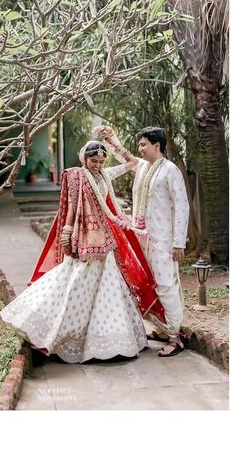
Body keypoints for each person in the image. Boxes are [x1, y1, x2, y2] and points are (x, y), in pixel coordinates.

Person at [0, 140, 166, 363]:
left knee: (107, 288)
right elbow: (71, 204)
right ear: (83, 159)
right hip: (85, 239)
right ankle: (52, 330)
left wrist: (112, 140)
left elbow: (132, 162)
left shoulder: (105, 175)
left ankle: (108, 341)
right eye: (93, 161)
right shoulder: (77, 176)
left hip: (105, 241)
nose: (97, 165)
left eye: (100, 161)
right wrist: (67, 230)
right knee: (76, 283)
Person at [95, 125, 190, 357]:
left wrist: (179, 243)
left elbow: (182, 207)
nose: (140, 149)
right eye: (139, 145)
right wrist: (110, 138)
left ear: (157, 145)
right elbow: (124, 155)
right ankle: (163, 329)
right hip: (140, 238)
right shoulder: (143, 167)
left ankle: (176, 338)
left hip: (163, 240)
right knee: (147, 283)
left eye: (143, 144)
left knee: (165, 284)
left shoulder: (170, 171)